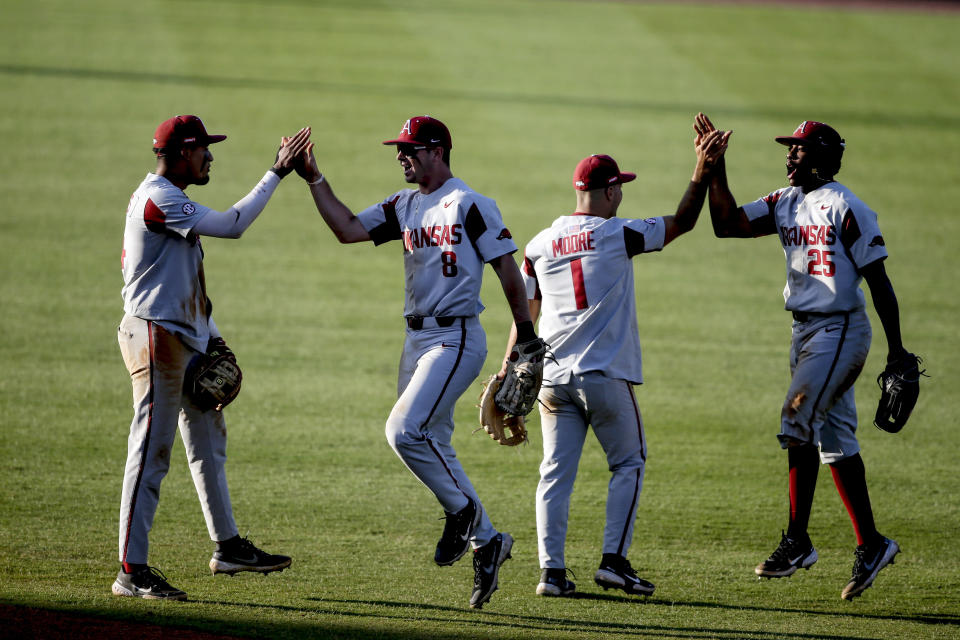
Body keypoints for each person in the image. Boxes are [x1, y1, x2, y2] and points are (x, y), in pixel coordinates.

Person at [297, 116, 540, 609]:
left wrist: (527, 336)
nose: (400, 155)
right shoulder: (403, 205)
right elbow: (346, 230)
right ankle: (487, 540)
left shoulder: (469, 204)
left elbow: (507, 271)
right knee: (435, 441)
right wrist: (313, 179)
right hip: (415, 340)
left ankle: (463, 514)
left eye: (409, 148)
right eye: (399, 148)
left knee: (403, 431)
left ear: (436, 151)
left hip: (455, 337)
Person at [502, 124, 730, 598]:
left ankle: (551, 573)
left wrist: (508, 369)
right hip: (604, 378)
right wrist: (702, 169)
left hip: (551, 380)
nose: (621, 195)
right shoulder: (618, 234)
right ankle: (613, 562)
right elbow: (683, 221)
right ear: (608, 191)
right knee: (629, 462)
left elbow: (525, 314)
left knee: (554, 472)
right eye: (619, 188)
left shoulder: (540, 244)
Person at [697, 113, 909, 600]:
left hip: (840, 329)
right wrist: (716, 169)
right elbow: (727, 225)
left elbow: (879, 281)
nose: (790, 154)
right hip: (806, 334)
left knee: (796, 418)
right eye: (789, 148)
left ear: (824, 157)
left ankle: (797, 540)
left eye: (799, 147)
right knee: (836, 442)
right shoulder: (784, 200)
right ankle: (872, 543)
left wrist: (897, 350)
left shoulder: (847, 206)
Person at [114, 115, 311, 600]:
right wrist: (277, 172)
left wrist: (213, 338)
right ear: (183, 152)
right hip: (157, 338)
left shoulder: (169, 198)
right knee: (150, 454)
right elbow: (233, 224)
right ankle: (131, 572)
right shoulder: (160, 199)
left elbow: (184, 282)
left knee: (207, 444)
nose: (211, 157)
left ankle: (228, 548)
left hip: (183, 336)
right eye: (204, 149)